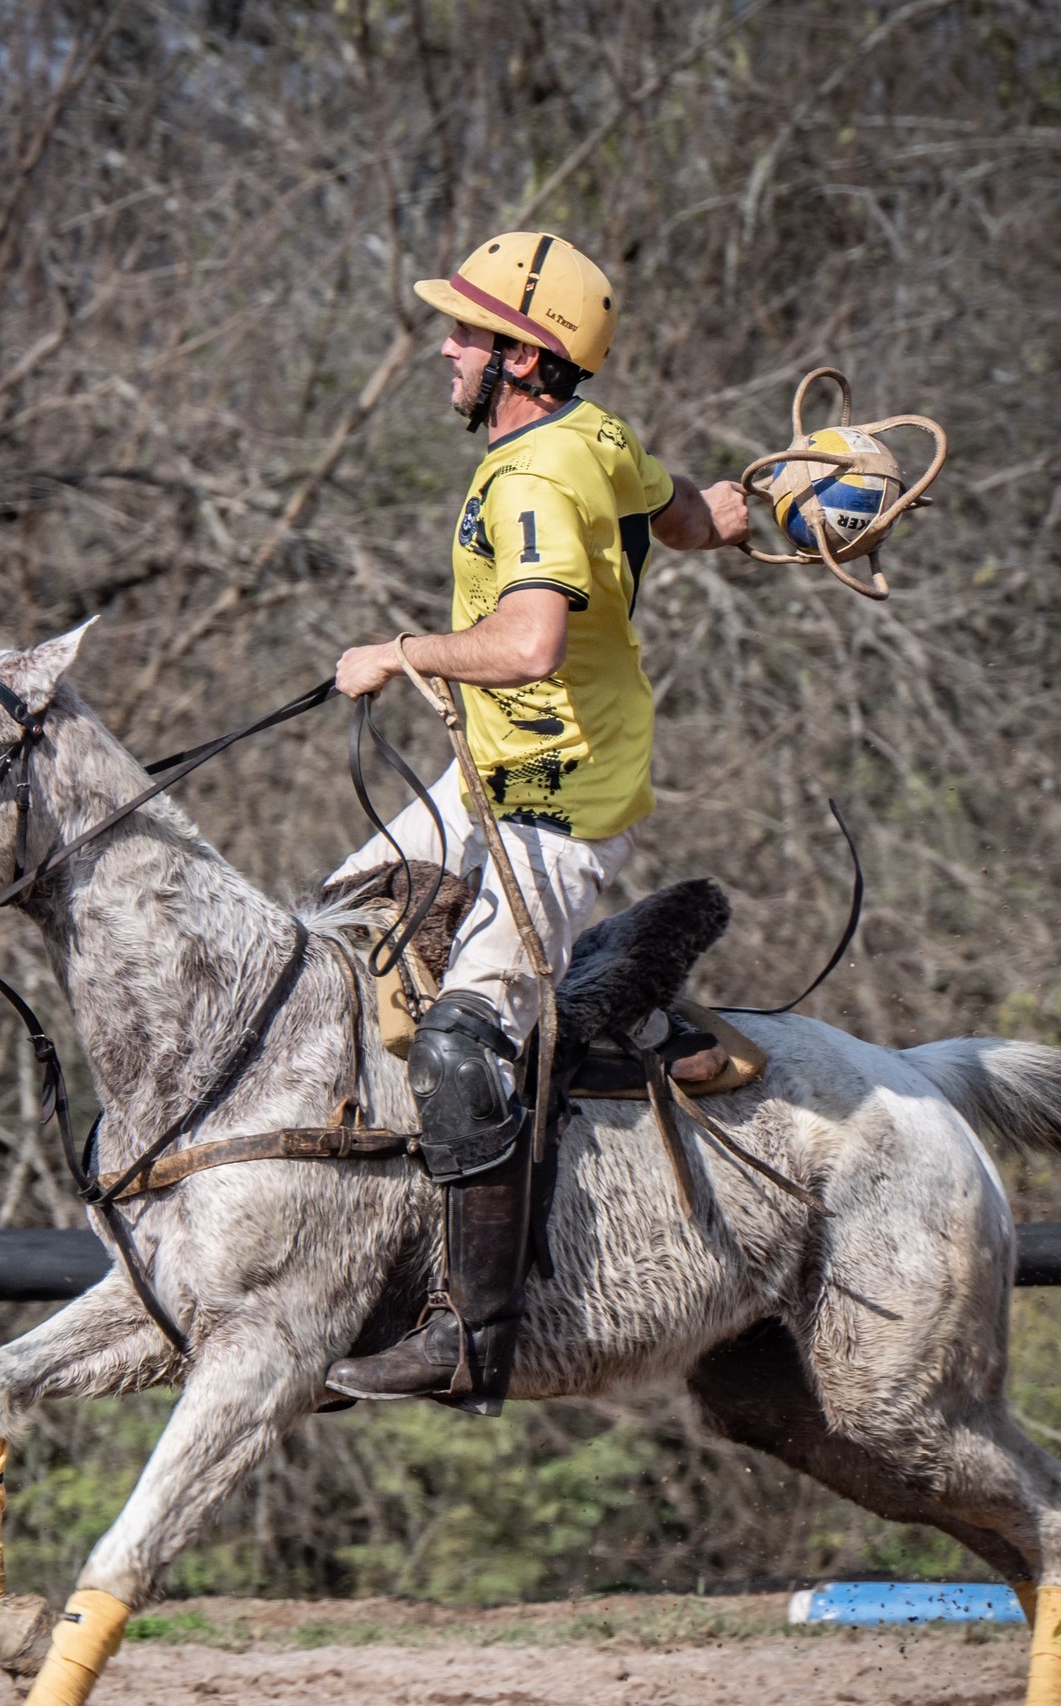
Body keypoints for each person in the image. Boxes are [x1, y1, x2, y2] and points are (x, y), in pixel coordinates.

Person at [323, 230, 749, 1410]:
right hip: (484, 776)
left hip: (554, 802)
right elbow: (683, 517)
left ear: (523, 357)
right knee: (332, 935)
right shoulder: (591, 437)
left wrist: (393, 653)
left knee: (460, 1038)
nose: (445, 349)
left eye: (466, 334)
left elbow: (527, 644)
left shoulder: (532, 475)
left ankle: (472, 1335)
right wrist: (766, 502)